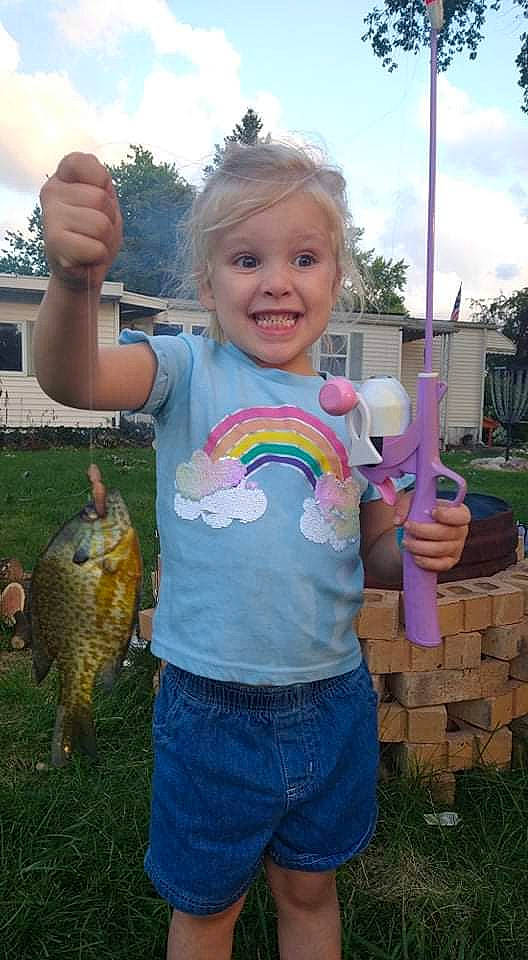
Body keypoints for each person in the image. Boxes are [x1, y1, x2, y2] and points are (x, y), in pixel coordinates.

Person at [35, 141, 470, 960]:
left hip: (333, 699)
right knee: (208, 910)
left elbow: (375, 550)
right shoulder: (186, 369)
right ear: (207, 284)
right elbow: (74, 379)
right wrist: (70, 279)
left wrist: (417, 547)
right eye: (246, 259)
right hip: (210, 709)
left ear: (336, 281)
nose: (276, 280)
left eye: (303, 257)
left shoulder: (354, 410)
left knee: (310, 890)